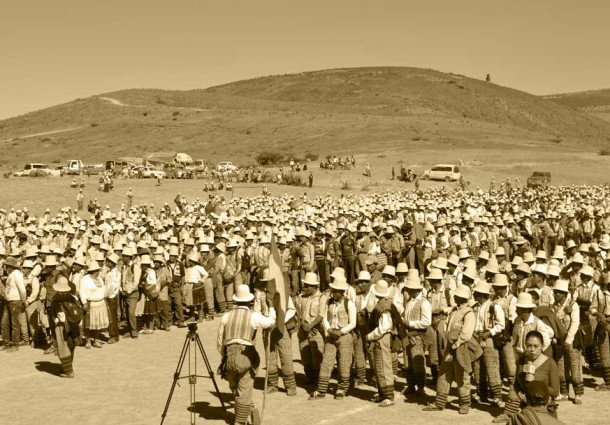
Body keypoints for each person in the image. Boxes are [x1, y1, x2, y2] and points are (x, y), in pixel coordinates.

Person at [217, 284, 276, 425]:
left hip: (229, 355)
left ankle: (246, 407)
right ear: (249, 301)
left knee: (234, 386)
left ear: (235, 301)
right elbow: (271, 323)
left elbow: (220, 343)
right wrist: (271, 306)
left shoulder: (226, 316)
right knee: (244, 389)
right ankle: (241, 421)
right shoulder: (253, 316)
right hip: (246, 355)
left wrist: (224, 357)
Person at [424, 284, 478, 415]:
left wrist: (455, 345)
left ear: (462, 297)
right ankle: (439, 402)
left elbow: (466, 334)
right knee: (444, 373)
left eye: (456, 295)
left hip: (461, 347)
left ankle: (465, 403)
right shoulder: (455, 310)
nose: (454, 296)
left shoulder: (469, 313)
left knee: (462, 375)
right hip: (451, 346)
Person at [494, 330, 560, 423]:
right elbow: (516, 383)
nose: (532, 349)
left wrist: (535, 382)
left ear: (542, 346)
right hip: (526, 412)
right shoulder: (522, 361)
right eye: (529, 346)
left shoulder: (550, 363)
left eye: (536, 346)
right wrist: (519, 394)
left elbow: (555, 392)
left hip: (545, 412)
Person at [309, 276, 356, 400]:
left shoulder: (349, 303)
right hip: (331, 335)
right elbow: (324, 317)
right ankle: (321, 389)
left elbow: (353, 323)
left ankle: (342, 388)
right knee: (326, 362)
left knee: (344, 363)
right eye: (332, 290)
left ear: (341, 292)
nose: (333, 293)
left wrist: (341, 331)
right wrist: (329, 329)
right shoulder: (329, 302)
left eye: (336, 291)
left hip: (344, 336)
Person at [367, 279, 397, 407]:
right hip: (380, 337)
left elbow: (384, 327)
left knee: (384, 366)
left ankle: (389, 396)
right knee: (379, 366)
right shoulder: (384, 303)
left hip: (382, 337)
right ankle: (383, 393)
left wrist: (370, 336)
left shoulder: (384, 306)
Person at [401, 275, 432, 397]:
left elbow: (426, 322)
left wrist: (410, 323)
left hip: (417, 336)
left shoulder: (424, 303)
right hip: (407, 335)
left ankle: (420, 387)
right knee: (407, 361)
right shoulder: (409, 302)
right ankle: (411, 385)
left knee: (418, 362)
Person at [295, 271, 324, 387]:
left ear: (314, 287)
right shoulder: (301, 298)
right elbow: (299, 313)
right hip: (303, 329)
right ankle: (309, 378)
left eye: (307, 286)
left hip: (315, 330)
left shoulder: (322, 298)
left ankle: (317, 380)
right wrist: (303, 324)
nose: (305, 288)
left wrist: (310, 326)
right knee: (305, 355)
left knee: (316, 357)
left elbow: (321, 315)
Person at [50, 276, 81, 378]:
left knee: (63, 348)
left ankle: (68, 371)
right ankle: (67, 368)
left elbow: (54, 316)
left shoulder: (55, 299)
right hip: (74, 326)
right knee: (71, 347)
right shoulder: (73, 298)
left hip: (61, 328)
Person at [1, 257, 26, 352]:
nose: (6, 267)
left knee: (15, 323)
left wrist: (23, 301)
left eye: (7, 266)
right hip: (9, 301)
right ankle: (6, 342)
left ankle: (15, 344)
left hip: (15, 301)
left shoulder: (17, 275)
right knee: (4, 323)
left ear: (11, 266)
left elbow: (22, 289)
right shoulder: (11, 274)